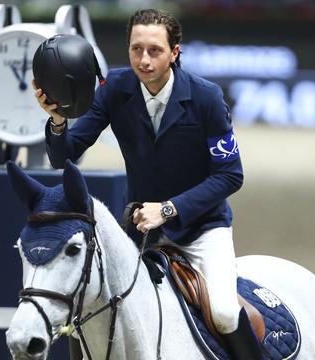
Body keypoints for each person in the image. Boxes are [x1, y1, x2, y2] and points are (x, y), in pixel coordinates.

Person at [34, 8, 261, 360]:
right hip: (140, 230)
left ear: (175, 51)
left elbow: (231, 175)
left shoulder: (206, 98)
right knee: (87, 311)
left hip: (202, 229)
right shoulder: (114, 89)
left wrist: (169, 209)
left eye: (154, 50)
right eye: (135, 49)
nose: (143, 59)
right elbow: (66, 155)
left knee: (226, 313)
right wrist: (58, 121)